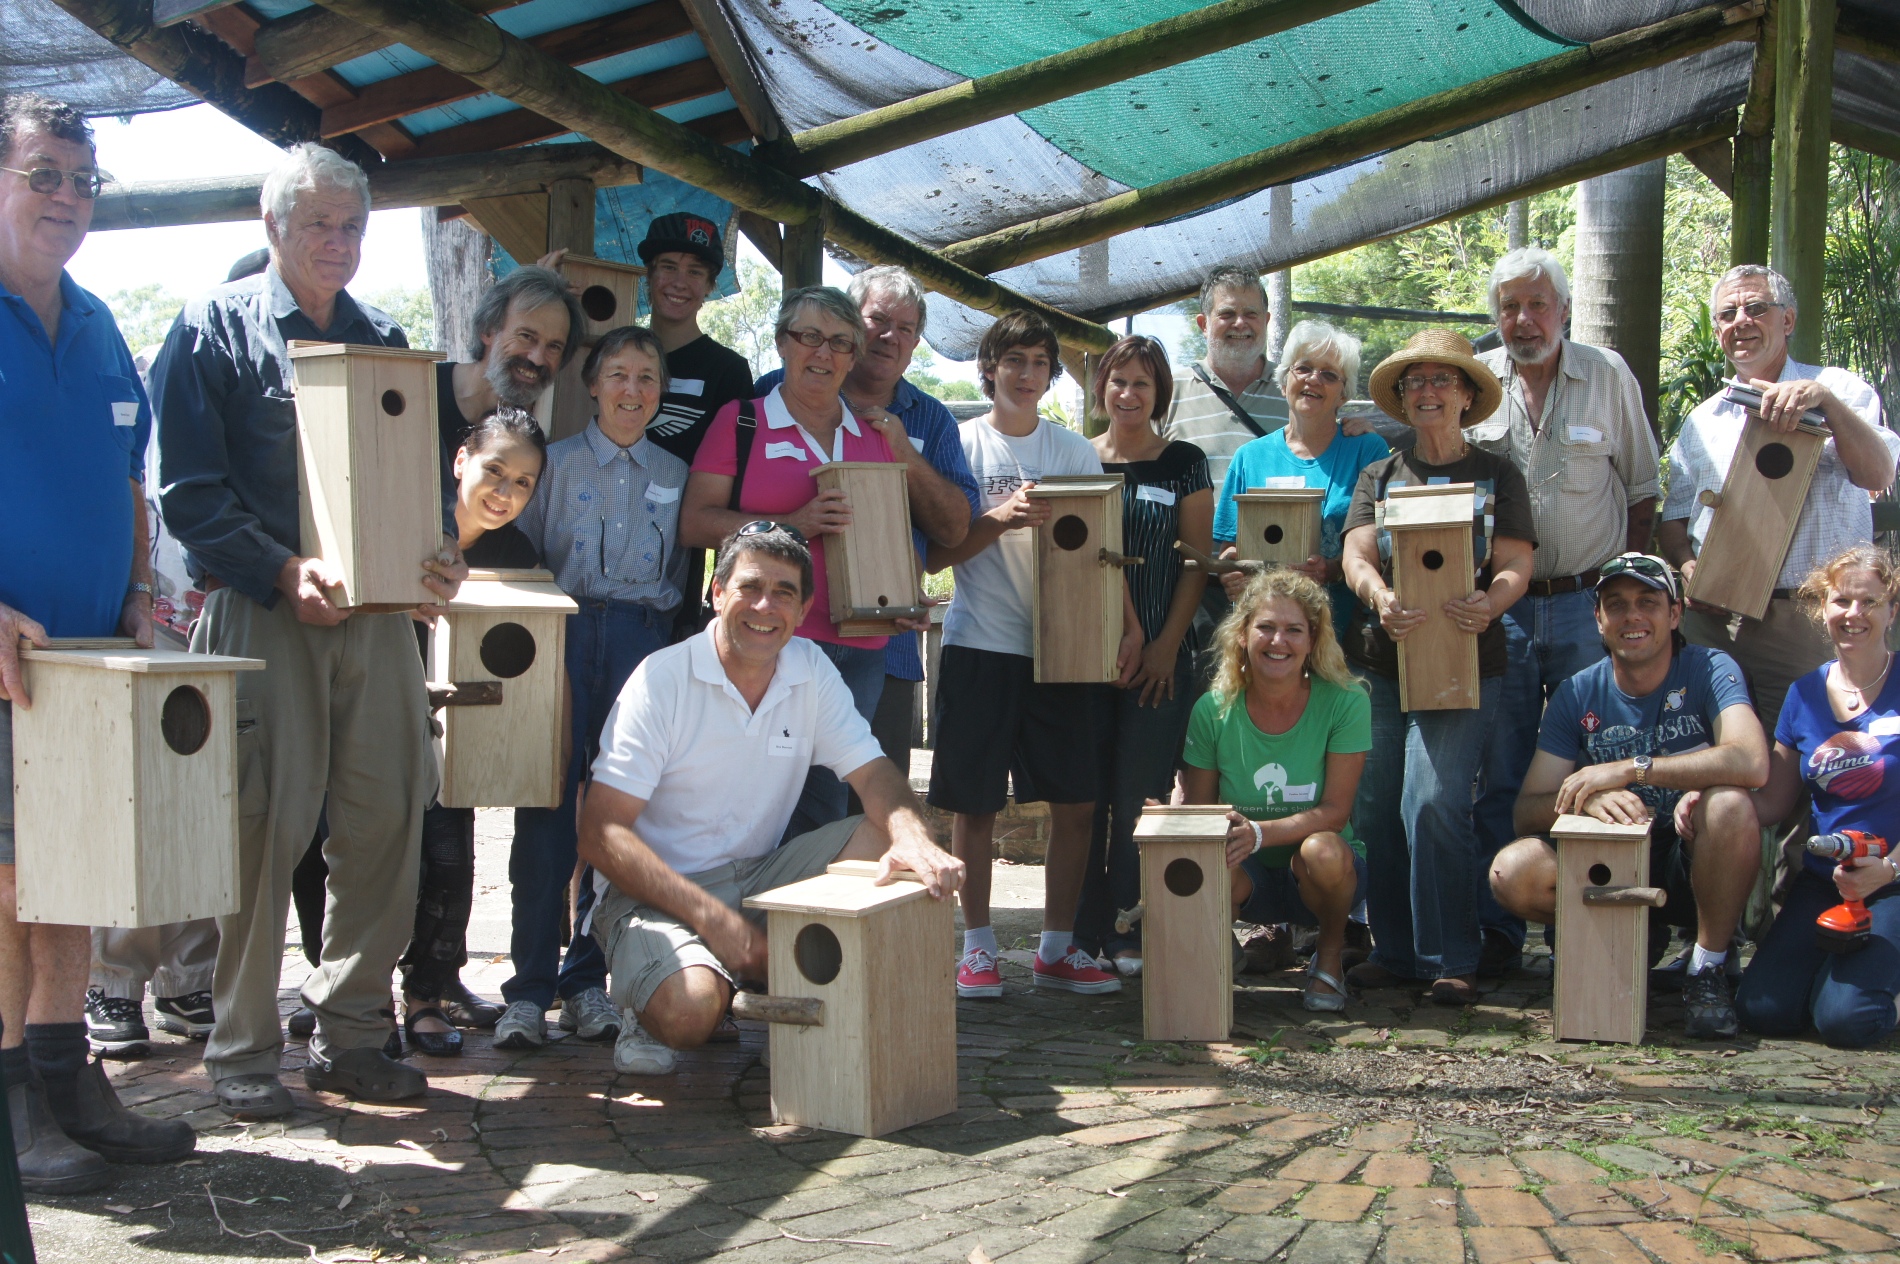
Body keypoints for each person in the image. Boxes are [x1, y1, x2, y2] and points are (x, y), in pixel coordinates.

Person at [152, 142, 467, 1118]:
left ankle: (353, 1038)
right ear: (272, 225)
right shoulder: (211, 328)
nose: (338, 241)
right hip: (261, 614)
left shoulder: (386, 340)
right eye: (318, 223)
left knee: (386, 823)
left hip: (376, 622)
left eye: (352, 225)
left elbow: (424, 486)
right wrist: (283, 570)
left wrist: (437, 555)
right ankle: (243, 1050)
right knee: (258, 832)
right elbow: (188, 496)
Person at [0, 91, 197, 1190]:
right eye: (44, 175)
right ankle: (12, 1107)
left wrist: (133, 589)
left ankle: (67, 1079)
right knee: (6, 882)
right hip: (3, 665)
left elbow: (128, 481)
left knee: (69, 872)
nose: (67, 198)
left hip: (85, 661)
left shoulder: (100, 324)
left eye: (83, 181)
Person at [576, 523, 964, 1074]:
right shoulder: (661, 680)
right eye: (750, 587)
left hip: (757, 877)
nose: (765, 606)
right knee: (691, 1012)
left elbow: (876, 773)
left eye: (784, 592)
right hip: (651, 895)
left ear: (803, 610)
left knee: (895, 839)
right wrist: (715, 921)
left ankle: (829, 1003)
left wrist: (914, 839)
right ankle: (654, 1000)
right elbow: (600, 835)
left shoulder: (811, 668)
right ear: (717, 593)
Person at [925, 311, 1142, 999]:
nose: (1026, 374)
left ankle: (1056, 948)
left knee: (1077, 802)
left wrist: (1128, 628)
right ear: (988, 369)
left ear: (1052, 375)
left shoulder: (1073, 451)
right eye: (1013, 360)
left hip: (1065, 650)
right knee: (975, 804)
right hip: (980, 644)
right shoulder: (958, 444)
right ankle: (977, 949)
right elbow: (936, 554)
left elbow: (1105, 550)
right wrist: (1002, 517)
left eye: (1040, 363)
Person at [1468, 248, 1662, 977]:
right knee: (1504, 770)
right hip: (1506, 608)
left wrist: (1624, 597)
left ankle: (1593, 930)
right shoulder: (1477, 382)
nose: (1524, 320)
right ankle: (1499, 929)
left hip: (1589, 603)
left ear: (1565, 310)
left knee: (1601, 763)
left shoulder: (1607, 374)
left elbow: (1641, 490)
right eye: (1510, 307)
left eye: (1537, 304)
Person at [497, 324, 689, 1052]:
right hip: (561, 636)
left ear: (660, 391)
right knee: (545, 807)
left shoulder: (676, 471)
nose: (632, 391)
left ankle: (587, 982)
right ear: (592, 386)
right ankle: (527, 991)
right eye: (618, 375)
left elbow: (684, 574)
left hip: (643, 641)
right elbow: (522, 550)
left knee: (620, 814)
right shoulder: (553, 463)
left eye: (647, 377)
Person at [1490, 554, 1768, 1040]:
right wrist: (1584, 798)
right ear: (1598, 619)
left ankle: (1708, 966)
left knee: (1729, 804)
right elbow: (1525, 812)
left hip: (1690, 855)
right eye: (1616, 605)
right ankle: (1624, 940)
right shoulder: (1577, 692)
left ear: (1675, 614)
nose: (1632, 616)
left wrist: (1631, 769)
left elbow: (1751, 761)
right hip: (1614, 859)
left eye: (1648, 602)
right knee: (1512, 870)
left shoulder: (1710, 667)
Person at [682, 286, 923, 834]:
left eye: (840, 342)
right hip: (769, 640)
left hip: (858, 649)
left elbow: (891, 532)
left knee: (825, 809)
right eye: (809, 336)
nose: (823, 353)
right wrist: (792, 526)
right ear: (782, 343)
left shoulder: (874, 435)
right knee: (751, 803)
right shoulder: (742, 421)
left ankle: (804, 895)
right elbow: (694, 522)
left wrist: (907, 595)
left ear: (853, 356)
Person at [1339, 329, 1534, 1005]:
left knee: (1434, 800)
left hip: (1465, 660)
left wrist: (1491, 603)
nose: (1428, 392)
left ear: (1467, 395)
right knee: (1377, 807)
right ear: (1402, 396)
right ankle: (1395, 950)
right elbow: (1357, 554)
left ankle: (1452, 954)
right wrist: (1380, 596)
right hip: (1383, 662)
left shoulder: (1497, 474)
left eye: (1442, 380)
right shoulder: (1380, 475)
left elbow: (1516, 561)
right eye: (1415, 381)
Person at [1659, 263, 1900, 735]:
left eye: (1755, 308)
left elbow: (1878, 473)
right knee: (1713, 745)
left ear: (1787, 320)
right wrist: (1689, 569)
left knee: (1819, 750)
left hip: (1807, 616)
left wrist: (1825, 403)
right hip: (1717, 622)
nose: (1740, 321)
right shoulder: (1703, 419)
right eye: (1727, 314)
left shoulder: (1840, 389)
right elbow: (1675, 519)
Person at [756, 266, 979, 768]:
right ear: (851, 324)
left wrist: (904, 455)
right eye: (878, 320)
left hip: (885, 646)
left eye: (905, 328)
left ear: (916, 343)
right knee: (773, 794)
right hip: (781, 638)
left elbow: (954, 530)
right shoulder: (773, 392)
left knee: (870, 798)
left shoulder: (931, 418)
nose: (890, 337)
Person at [398, 407, 548, 1057]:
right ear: (460, 460)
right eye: (495, 470)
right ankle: (347, 995)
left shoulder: (515, 553)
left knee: (450, 858)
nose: (504, 492)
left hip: (454, 730)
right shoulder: (407, 528)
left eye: (523, 483)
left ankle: (429, 993)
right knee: (362, 858)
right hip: (375, 710)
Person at [1072, 336, 1211, 974]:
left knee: (1140, 795)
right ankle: (1079, 929)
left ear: (1160, 395)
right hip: (1085, 657)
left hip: (1160, 658)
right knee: (1084, 797)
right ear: (1101, 388)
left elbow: (1196, 563)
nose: (1128, 394)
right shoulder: (1077, 459)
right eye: (1118, 381)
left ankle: (1126, 924)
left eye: (1142, 383)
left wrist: (1165, 646)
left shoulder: (1183, 462)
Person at [1180, 570, 1369, 1010]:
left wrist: (1259, 833)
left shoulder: (1346, 701)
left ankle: (1329, 958)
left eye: (1294, 630)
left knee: (1323, 849)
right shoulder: (1212, 709)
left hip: (1320, 871)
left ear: (1313, 639)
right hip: (1245, 871)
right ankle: (1215, 950)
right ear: (1242, 634)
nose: (1278, 641)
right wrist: (1170, 818)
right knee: (1198, 857)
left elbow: (1336, 812)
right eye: (1265, 626)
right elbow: (1202, 814)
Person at [1735, 546, 1900, 1047]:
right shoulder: (1803, 694)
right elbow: (1773, 802)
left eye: (1870, 602)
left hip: (1894, 879)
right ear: (1822, 608)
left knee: (1847, 1022)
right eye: (1842, 601)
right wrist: (1710, 801)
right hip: (1827, 879)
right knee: (1762, 1010)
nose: (1854, 614)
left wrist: (1890, 868)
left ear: (1893, 610)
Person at [1212, 320, 1386, 640]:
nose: (1313, 379)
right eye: (1303, 368)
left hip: (1341, 635)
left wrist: (1332, 569)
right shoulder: (1249, 457)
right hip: (1268, 636)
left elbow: (1384, 545)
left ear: (1344, 395)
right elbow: (1229, 547)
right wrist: (1231, 571)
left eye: (1329, 375)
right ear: (1284, 382)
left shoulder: (1367, 450)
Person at [634, 214, 756, 644]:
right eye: (668, 267)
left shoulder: (728, 370)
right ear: (648, 276)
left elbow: (737, 484)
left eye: (695, 272)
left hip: (679, 561)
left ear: (709, 287)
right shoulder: (615, 352)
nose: (679, 282)